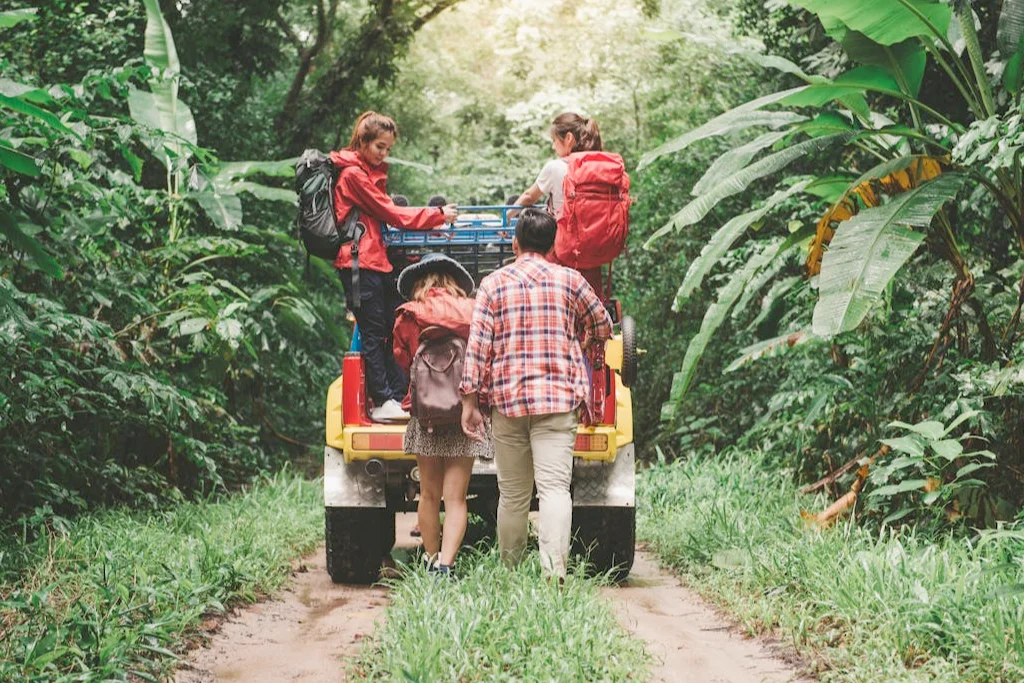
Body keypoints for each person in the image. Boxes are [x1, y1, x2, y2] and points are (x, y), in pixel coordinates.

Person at [459, 208, 613, 580]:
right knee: (555, 489)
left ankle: (511, 572)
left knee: (512, 494)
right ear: (553, 245)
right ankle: (554, 572)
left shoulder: (493, 284)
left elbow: (477, 347)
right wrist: (583, 336)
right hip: (559, 402)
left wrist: (469, 401)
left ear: (515, 244)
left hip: (508, 403)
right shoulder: (570, 280)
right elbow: (603, 325)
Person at [331, 111, 458, 422]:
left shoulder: (365, 173)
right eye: (379, 147)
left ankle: (396, 394)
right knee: (373, 332)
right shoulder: (353, 176)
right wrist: (437, 215)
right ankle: (382, 399)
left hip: (373, 261)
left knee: (389, 326)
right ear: (362, 142)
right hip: (359, 263)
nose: (384, 154)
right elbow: (391, 213)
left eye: (388, 148)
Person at [393, 253, 493, 575]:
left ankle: (431, 558)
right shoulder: (472, 310)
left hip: (425, 417)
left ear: (419, 282)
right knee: (456, 498)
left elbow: (403, 360)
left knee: (428, 494)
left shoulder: (409, 315)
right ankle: (446, 566)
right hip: (465, 411)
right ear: (454, 282)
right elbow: (484, 357)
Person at [511, 112, 605, 293]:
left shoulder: (556, 167)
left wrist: (507, 216)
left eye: (554, 140)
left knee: (556, 299)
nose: (553, 146)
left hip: (563, 252)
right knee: (590, 299)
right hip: (594, 253)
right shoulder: (599, 169)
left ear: (568, 138)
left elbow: (529, 196)